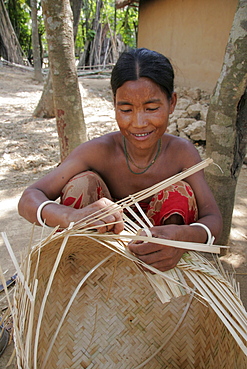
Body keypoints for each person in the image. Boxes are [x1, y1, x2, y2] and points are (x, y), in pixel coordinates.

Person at [18, 48, 223, 272]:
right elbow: (29, 198)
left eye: (152, 108)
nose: (138, 122)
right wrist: (71, 216)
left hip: (161, 268)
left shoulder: (182, 154)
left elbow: (213, 218)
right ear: (114, 104)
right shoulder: (98, 151)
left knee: (178, 192)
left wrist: (183, 236)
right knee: (82, 183)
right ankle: (78, 274)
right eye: (126, 109)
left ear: (171, 103)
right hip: (97, 263)